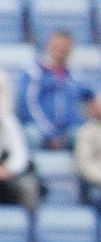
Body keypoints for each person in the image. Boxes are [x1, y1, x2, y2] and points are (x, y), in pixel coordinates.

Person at [17, 30, 91, 150]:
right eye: (57, 47)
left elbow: (89, 99)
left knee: (85, 135)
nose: (61, 51)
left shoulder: (76, 75)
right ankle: (31, 168)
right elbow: (28, 105)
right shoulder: (34, 72)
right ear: (48, 46)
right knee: (31, 135)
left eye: (65, 48)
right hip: (39, 127)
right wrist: (50, 133)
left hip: (68, 129)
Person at [0, 73, 40, 208]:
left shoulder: (8, 120)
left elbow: (20, 154)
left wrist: (8, 169)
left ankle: (32, 227)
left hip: (7, 173)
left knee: (29, 185)